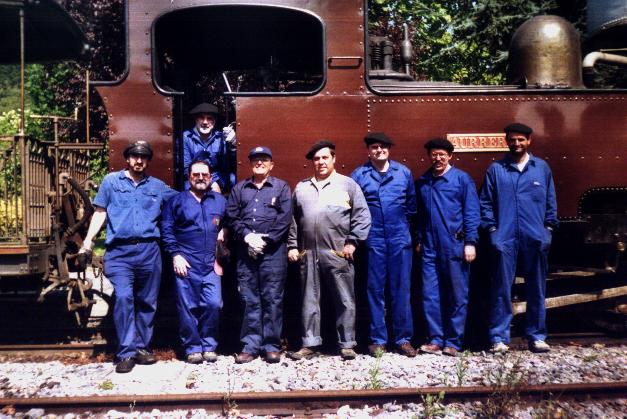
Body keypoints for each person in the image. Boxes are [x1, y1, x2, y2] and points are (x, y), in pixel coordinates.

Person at [81, 140, 177, 373]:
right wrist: (88, 241)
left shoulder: (157, 186)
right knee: (124, 298)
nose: (139, 160)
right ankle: (125, 352)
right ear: (127, 158)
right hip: (120, 252)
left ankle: (142, 348)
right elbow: (100, 212)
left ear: (148, 161)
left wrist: (212, 193)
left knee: (147, 301)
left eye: (143, 157)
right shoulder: (111, 182)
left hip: (149, 251)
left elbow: (182, 200)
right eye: (134, 156)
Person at [287, 140, 371, 361]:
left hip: (337, 251)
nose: (321, 162)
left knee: (344, 298)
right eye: (317, 159)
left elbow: (362, 216)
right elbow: (293, 220)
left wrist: (353, 241)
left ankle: (347, 344)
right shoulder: (302, 187)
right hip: (308, 252)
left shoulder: (348, 185)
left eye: (325, 157)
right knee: (309, 299)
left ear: (334, 159)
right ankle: (310, 343)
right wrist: (293, 245)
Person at [480, 123, 558, 354]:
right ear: (507, 141)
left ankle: (536, 336)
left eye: (521, 140)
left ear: (529, 141)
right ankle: (498, 338)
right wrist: (493, 231)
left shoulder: (541, 168)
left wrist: (548, 230)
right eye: (512, 140)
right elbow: (486, 202)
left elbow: (550, 202)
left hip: (535, 236)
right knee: (501, 289)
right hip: (504, 237)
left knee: (536, 287)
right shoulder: (496, 169)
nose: (516, 144)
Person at [350, 132, 417, 357]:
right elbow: (354, 209)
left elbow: (411, 206)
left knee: (401, 289)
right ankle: (378, 340)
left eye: (384, 147)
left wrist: (403, 231)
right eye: (375, 147)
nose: (380, 151)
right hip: (373, 239)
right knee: (374, 291)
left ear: (389, 149)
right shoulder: (359, 175)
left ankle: (403, 339)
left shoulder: (403, 172)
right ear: (368, 151)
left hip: (399, 239)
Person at [226, 146, 292, 364]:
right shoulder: (239, 189)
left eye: (264, 160)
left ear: (271, 164)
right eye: (256, 160)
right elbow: (232, 217)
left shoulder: (281, 188)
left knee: (272, 298)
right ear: (250, 164)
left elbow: (284, 220)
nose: (260, 163)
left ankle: (271, 345)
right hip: (246, 253)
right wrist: (247, 237)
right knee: (248, 298)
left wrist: (265, 241)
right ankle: (250, 344)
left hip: (272, 253)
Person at [415, 138, 480, 357]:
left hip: (455, 244)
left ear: (450, 156)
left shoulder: (462, 180)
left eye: (442, 154)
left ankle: (453, 342)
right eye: (434, 154)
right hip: (430, 247)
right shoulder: (424, 182)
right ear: (429, 156)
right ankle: (435, 339)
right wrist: (419, 240)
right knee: (430, 295)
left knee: (456, 295)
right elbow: (420, 216)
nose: (438, 158)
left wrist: (470, 242)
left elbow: (471, 213)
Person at [161, 159, 227, 364]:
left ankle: (209, 345)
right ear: (189, 177)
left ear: (210, 177)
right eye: (196, 174)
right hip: (186, 263)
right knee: (187, 307)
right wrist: (175, 254)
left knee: (214, 304)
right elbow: (166, 229)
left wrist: (225, 230)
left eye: (204, 175)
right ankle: (192, 348)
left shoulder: (219, 201)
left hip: (211, 264)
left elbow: (230, 221)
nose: (200, 178)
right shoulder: (176, 201)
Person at [181, 102, 236, 192]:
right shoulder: (186, 138)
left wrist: (233, 144)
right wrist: (210, 181)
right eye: (201, 118)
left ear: (214, 121)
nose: (205, 122)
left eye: (209, 118)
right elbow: (186, 168)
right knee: (186, 188)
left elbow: (226, 166)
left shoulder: (221, 138)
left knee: (233, 179)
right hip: (193, 176)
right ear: (196, 119)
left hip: (217, 177)